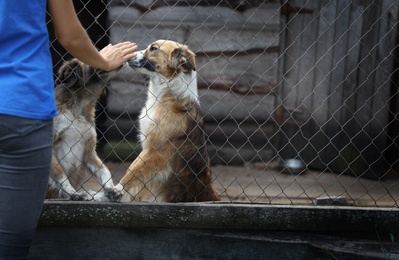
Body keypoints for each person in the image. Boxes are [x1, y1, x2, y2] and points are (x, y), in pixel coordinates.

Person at [0, 0, 137, 258]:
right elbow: (71, 36)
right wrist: (103, 62)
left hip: (22, 107)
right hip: (21, 104)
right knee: (9, 245)